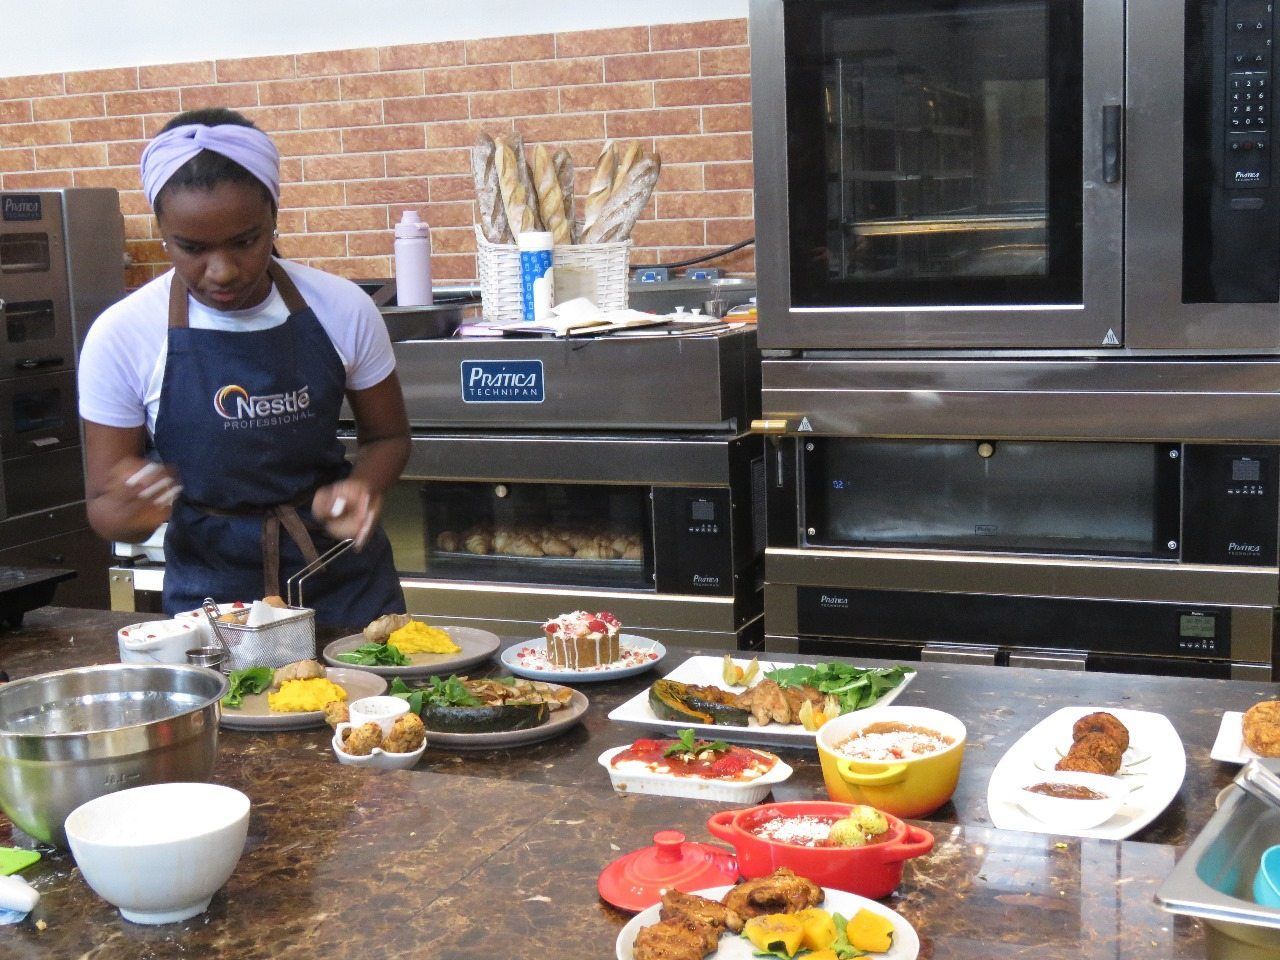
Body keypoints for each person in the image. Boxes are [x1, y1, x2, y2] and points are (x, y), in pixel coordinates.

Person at [78, 107, 409, 627]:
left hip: (344, 588)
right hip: (213, 604)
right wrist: (128, 516)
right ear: (162, 230)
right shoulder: (122, 335)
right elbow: (105, 502)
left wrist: (361, 487)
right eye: (191, 248)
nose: (222, 271)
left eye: (246, 240)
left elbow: (388, 437)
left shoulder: (342, 307)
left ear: (274, 216)